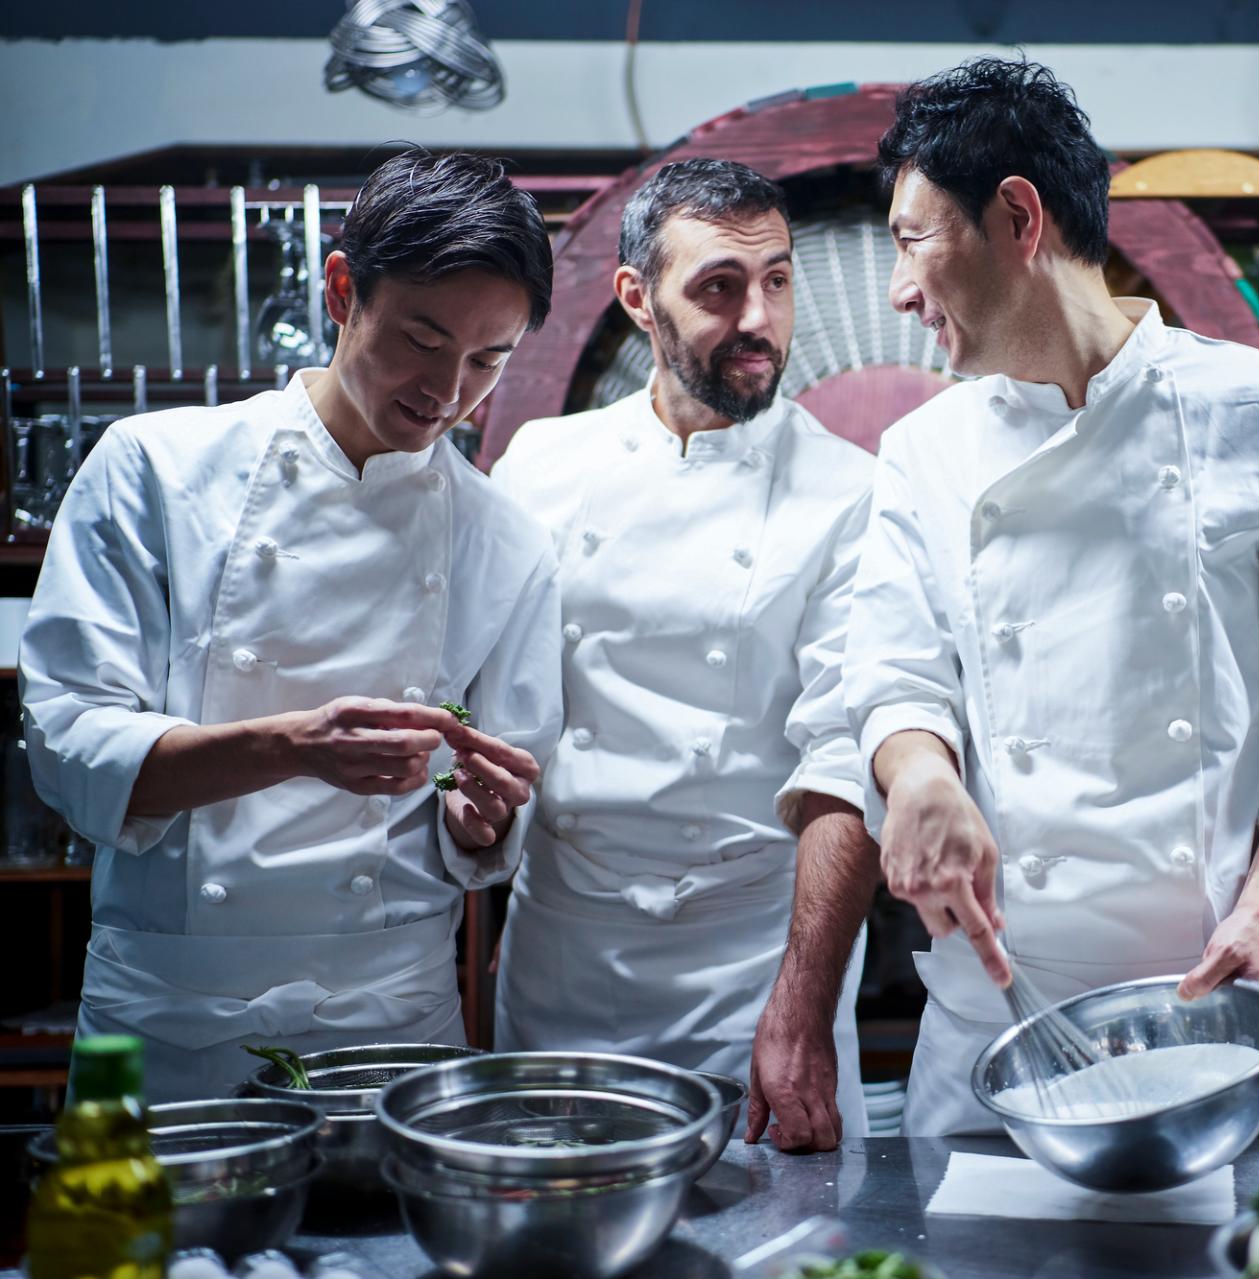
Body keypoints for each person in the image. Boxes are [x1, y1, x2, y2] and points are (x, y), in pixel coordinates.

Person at [835, 58, 1259, 1135]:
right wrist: (916, 775)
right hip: (999, 1009)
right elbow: (893, 675)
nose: (900, 292)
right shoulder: (922, 450)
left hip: (1219, 998)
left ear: (1016, 217)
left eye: (911, 240)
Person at [20, 151, 563, 1102]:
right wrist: (290, 746)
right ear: (343, 291)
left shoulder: (506, 541)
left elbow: (486, 801)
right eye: (422, 339)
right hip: (170, 1013)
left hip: (391, 1013)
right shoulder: (153, 468)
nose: (447, 389)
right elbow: (68, 746)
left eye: (488, 359)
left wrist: (479, 819)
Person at [488, 159, 875, 1151]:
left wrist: (799, 1009)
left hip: (752, 969)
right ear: (636, 301)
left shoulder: (852, 493)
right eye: (718, 287)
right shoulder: (541, 466)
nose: (759, 318)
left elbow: (845, 762)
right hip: (566, 963)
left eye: (779, 280)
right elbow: (487, 713)